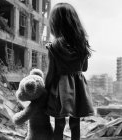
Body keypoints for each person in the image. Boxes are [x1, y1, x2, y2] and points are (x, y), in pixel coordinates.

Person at [45, 3, 94, 140]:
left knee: (59, 124)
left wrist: (45, 89)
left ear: (55, 23)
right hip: (78, 88)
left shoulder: (54, 47)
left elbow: (50, 73)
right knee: (75, 123)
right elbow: (84, 68)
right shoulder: (81, 44)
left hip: (59, 89)